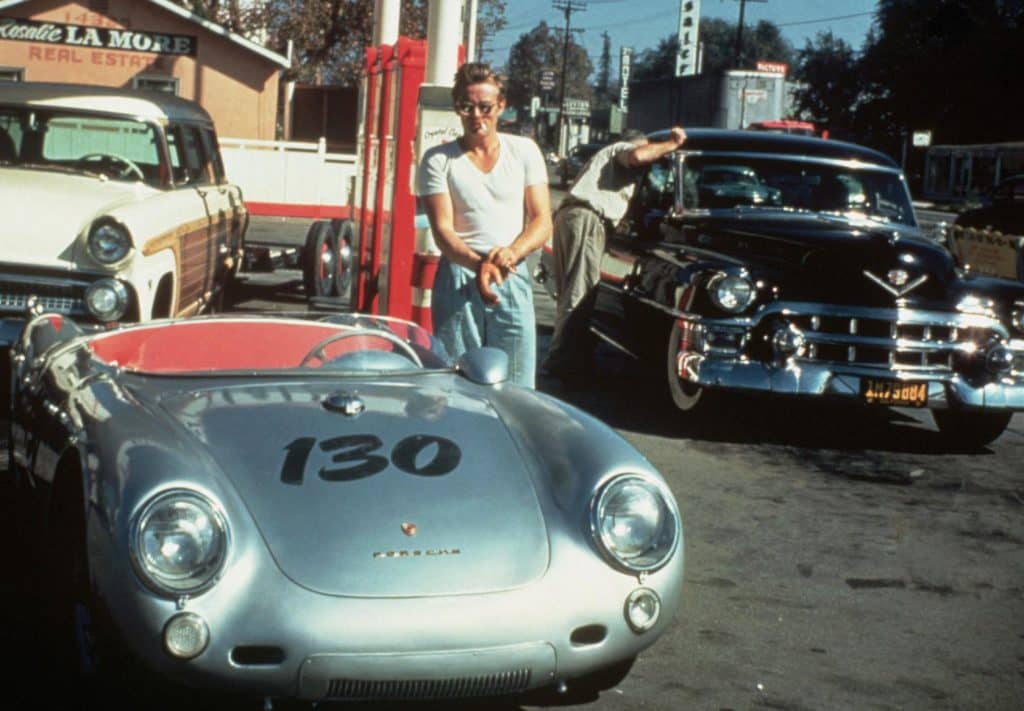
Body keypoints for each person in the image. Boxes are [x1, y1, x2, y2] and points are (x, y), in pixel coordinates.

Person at [416, 63, 552, 388]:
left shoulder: (524, 152)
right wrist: (480, 265)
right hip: (460, 275)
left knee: (518, 385)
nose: (477, 115)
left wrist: (510, 253)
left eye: (485, 107)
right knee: (456, 380)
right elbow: (444, 233)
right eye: (467, 106)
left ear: (501, 106)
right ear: (456, 108)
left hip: (511, 273)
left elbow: (542, 220)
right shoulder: (438, 160)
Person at [542, 126, 687, 383]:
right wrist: (672, 144)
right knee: (580, 292)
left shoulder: (606, 161)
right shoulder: (622, 150)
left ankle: (571, 355)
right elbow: (638, 157)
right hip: (587, 219)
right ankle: (563, 361)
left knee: (572, 290)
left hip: (572, 216)